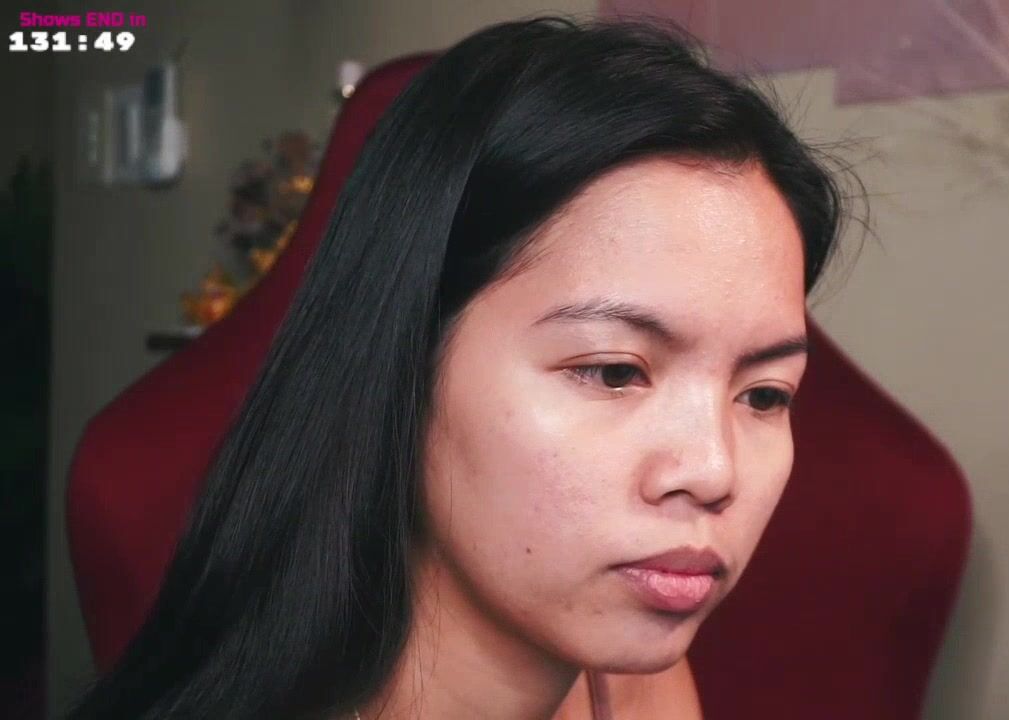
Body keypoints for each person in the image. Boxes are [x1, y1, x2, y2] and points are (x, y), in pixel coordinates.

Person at [67, 13, 857, 720]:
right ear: (404, 366)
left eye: (764, 395)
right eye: (615, 372)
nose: (714, 471)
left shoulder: (628, 681)